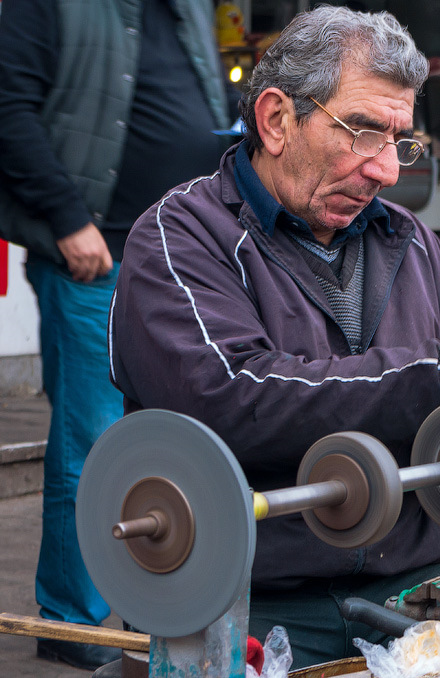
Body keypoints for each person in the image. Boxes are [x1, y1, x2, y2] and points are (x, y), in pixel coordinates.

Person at [106, 6, 440, 669]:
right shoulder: (180, 236)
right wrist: (437, 381)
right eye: (364, 132)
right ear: (277, 119)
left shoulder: (410, 243)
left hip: (411, 587)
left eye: (399, 141)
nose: (385, 171)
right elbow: (229, 398)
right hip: (252, 595)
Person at [0, 0, 239, 670]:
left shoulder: (189, 7)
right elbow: (9, 108)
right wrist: (67, 217)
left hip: (180, 260)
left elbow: (215, 111)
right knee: (92, 443)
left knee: (175, 444)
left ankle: (149, 609)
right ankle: (71, 623)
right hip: (94, 256)